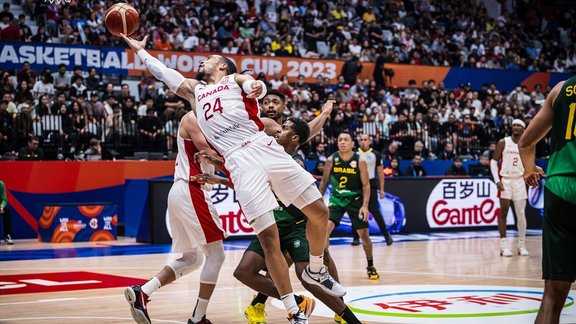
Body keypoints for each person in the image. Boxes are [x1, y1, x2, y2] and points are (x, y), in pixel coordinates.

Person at [121, 34, 344, 323]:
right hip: (238, 162)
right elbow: (164, 74)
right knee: (268, 239)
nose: (203, 60)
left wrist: (256, 86)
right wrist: (141, 51)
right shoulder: (194, 91)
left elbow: (251, 84)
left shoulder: (233, 79)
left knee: (319, 212)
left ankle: (316, 269)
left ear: (222, 67)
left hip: (261, 147)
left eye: (209, 58)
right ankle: (293, 310)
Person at [198, 119, 362, 324]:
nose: (276, 133)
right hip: (272, 223)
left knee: (307, 274)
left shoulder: (294, 162)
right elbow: (248, 180)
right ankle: (296, 302)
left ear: (294, 138)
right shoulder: (262, 154)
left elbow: (271, 184)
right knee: (244, 271)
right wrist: (218, 169)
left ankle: (348, 317)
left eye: (283, 129)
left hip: (296, 224)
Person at [124, 112, 226, 324]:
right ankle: (198, 318)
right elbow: (208, 153)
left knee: (193, 259)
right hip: (192, 188)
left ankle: (143, 291)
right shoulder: (193, 118)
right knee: (216, 256)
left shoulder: (210, 121)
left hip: (184, 190)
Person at [518, 77, 576, 324]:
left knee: (552, 296)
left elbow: (525, 142)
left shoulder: (561, 89)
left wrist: (530, 169)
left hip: (559, 188)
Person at [320, 132, 377, 280]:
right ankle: (325, 267)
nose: (343, 142)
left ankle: (370, 265)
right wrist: (319, 201)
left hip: (355, 200)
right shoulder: (331, 159)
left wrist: (365, 205)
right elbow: (324, 182)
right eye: (340, 140)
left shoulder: (360, 160)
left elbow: (366, 185)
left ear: (352, 144)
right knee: (324, 231)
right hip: (337, 199)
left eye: (346, 140)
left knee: (364, 236)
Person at [490, 119, 529, 257]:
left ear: (524, 129)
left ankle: (522, 244)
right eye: (514, 125)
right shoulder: (503, 142)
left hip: (519, 180)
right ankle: (503, 245)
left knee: (521, 214)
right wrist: (496, 180)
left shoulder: (527, 144)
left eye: (519, 125)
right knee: (504, 212)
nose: (516, 127)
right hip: (505, 180)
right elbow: (494, 162)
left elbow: (529, 163)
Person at [353, 134, 393, 246]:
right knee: (356, 211)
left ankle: (386, 236)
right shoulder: (355, 154)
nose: (363, 141)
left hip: (371, 184)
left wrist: (382, 189)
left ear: (369, 141)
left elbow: (380, 173)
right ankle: (355, 238)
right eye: (361, 140)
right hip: (357, 184)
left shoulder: (376, 154)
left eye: (365, 140)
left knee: (374, 210)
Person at [0, 181, 13, 245]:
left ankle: (7, 236)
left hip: (0, 206)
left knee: (7, 211)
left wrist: (2, 206)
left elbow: (4, 199)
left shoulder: (1, 184)